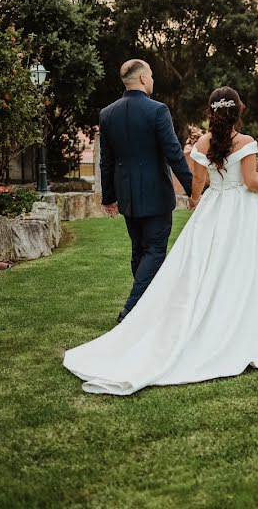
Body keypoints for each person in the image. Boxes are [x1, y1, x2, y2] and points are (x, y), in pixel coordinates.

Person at [63, 86, 258, 395]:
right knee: (244, 263)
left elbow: (197, 186)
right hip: (242, 211)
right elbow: (250, 182)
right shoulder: (246, 142)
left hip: (212, 209)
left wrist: (197, 200)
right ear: (239, 110)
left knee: (202, 265)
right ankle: (237, 316)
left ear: (211, 112)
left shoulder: (202, 142)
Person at [97, 59, 195, 324]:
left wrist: (109, 197)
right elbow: (174, 154)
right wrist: (194, 190)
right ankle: (131, 310)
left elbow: (105, 160)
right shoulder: (158, 111)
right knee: (154, 251)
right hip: (155, 196)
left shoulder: (107, 114)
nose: (152, 80)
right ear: (142, 79)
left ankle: (148, 309)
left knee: (139, 251)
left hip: (127, 196)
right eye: (150, 75)